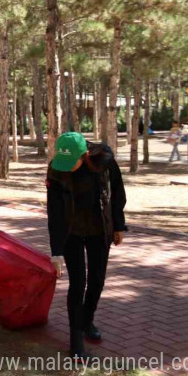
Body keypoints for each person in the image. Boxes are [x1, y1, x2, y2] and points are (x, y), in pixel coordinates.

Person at [47, 132, 127, 358]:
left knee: (97, 281)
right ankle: (75, 343)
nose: (66, 168)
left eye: (71, 163)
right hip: (71, 232)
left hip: (99, 229)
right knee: (77, 283)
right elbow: (54, 212)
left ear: (84, 154)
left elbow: (118, 193)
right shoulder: (56, 170)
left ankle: (87, 321)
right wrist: (56, 252)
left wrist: (119, 225)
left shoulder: (105, 162)